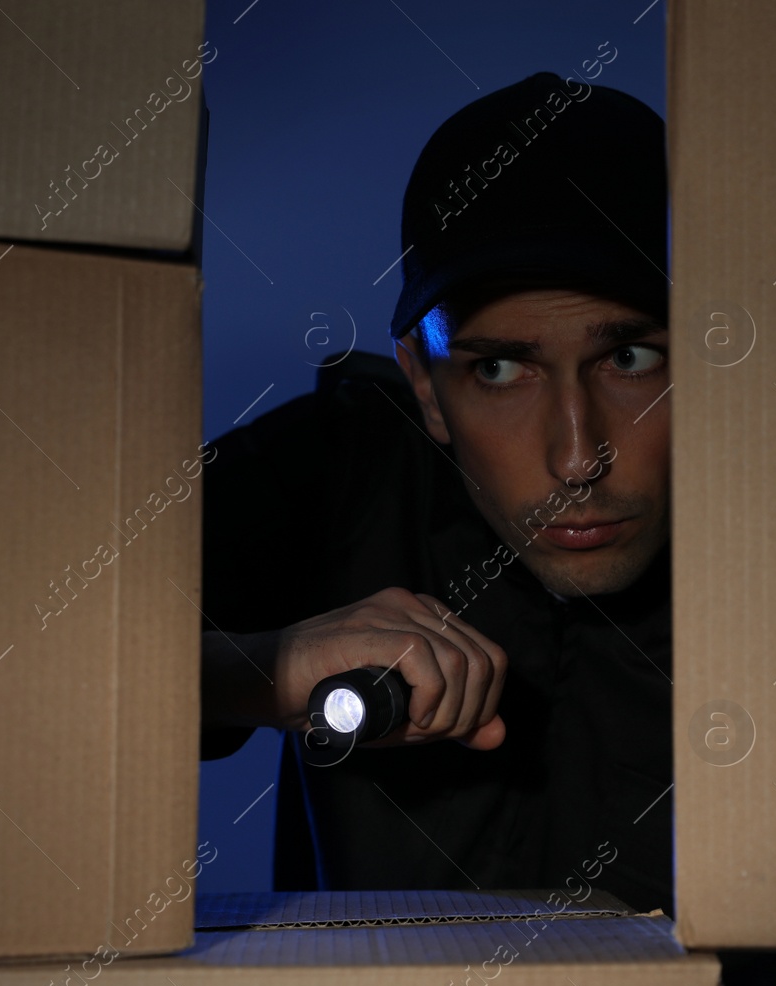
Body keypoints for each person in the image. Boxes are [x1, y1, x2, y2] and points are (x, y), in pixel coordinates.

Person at [198, 71, 675, 914]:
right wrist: (259, 669)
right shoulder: (336, 465)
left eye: (631, 359)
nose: (576, 458)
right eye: (499, 368)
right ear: (423, 384)